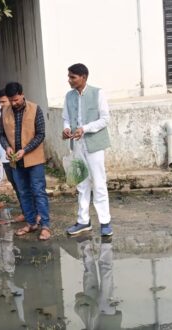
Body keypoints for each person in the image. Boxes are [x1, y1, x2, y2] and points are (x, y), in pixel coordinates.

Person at [62, 63, 113, 237]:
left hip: (94, 144)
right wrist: (67, 128)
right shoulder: (68, 96)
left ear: (83, 77)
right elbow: (66, 118)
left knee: (98, 182)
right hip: (77, 144)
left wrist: (85, 128)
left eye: (72, 77)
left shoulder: (98, 93)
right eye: (69, 77)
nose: (69, 80)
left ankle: (105, 222)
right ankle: (83, 221)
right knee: (81, 183)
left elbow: (105, 119)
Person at [0, 82, 52, 240]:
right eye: (11, 100)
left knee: (38, 191)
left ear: (22, 94)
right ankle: (31, 223)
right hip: (16, 161)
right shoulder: (5, 111)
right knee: (23, 192)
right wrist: (7, 147)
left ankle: (45, 226)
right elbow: (1, 134)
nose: (13, 103)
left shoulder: (35, 109)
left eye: (16, 99)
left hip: (34, 159)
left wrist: (25, 150)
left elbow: (41, 134)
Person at [0, 89, 25, 222]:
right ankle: (25, 211)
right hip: (6, 160)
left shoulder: (17, 115)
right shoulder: (1, 116)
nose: (2, 104)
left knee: (23, 186)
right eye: (0, 102)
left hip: (19, 157)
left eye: (4, 101)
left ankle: (32, 213)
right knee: (16, 187)